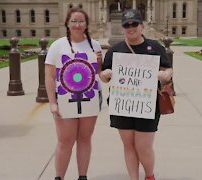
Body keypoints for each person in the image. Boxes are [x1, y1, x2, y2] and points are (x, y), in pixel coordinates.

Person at [99, 9, 173, 180]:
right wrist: (104, 75)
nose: (131, 27)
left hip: (146, 104)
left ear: (142, 26)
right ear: (123, 27)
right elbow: (104, 76)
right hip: (122, 104)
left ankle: (149, 176)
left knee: (143, 147)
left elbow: (168, 69)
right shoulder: (115, 51)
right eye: (127, 25)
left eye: (134, 24)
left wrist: (166, 74)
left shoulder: (154, 47)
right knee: (128, 146)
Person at [45, 7, 103, 180]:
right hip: (64, 98)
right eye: (74, 21)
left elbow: (98, 74)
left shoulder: (95, 45)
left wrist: (99, 63)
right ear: (67, 24)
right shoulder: (58, 45)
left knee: (85, 139)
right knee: (65, 141)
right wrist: (52, 102)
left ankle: (82, 176)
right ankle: (59, 177)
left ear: (86, 24)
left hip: (90, 98)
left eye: (81, 21)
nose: (77, 25)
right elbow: (49, 76)